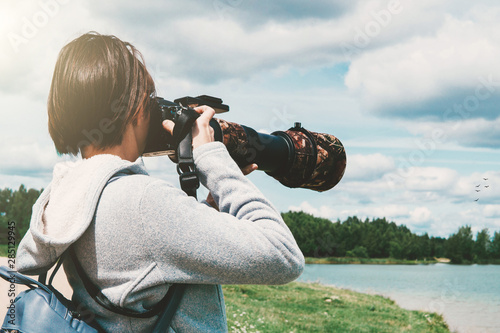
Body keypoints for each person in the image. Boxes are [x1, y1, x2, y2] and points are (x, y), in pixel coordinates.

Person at [16, 32, 304, 332]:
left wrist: (210, 211)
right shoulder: (142, 202)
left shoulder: (68, 194)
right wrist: (212, 159)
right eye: (149, 100)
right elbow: (283, 254)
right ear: (135, 108)